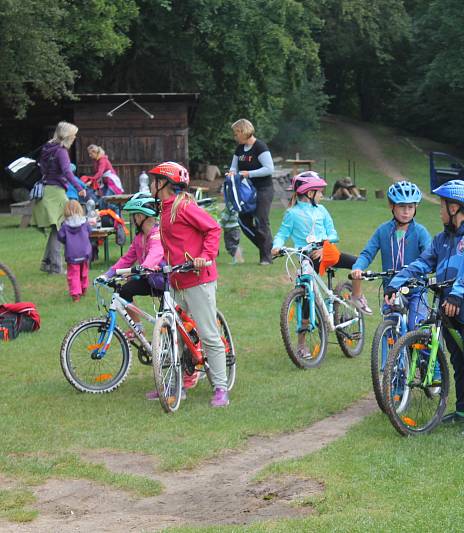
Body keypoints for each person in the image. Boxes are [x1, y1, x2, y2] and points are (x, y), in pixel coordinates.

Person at [385, 179, 464, 437]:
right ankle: (463, 412)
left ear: (455, 208)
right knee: (458, 362)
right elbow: (422, 263)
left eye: (442, 205)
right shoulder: (442, 239)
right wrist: (395, 283)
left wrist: (456, 295)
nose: (440, 210)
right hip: (446, 308)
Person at [148, 161, 229, 407]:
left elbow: (213, 228)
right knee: (177, 334)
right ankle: (178, 384)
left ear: (164, 183)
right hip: (176, 279)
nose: (151, 184)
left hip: (197, 278)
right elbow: (170, 245)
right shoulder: (163, 209)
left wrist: (206, 256)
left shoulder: (183, 206)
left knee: (207, 333)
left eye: (153, 180)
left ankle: (221, 389)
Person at [271, 172, 369, 356]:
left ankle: (357, 296)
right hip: (307, 256)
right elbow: (282, 234)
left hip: (327, 252)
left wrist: (324, 244)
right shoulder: (291, 213)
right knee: (306, 294)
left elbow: (334, 234)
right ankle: (301, 344)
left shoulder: (322, 210)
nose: (322, 195)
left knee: (357, 263)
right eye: (319, 191)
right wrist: (277, 246)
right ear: (309, 193)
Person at [351, 180, 431, 326]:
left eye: (410, 207)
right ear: (391, 206)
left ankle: (421, 347)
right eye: (401, 206)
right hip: (391, 291)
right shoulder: (383, 231)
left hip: (416, 290)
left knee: (418, 329)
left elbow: (429, 255)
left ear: (416, 207)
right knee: (390, 331)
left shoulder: (421, 232)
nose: (406, 211)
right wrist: (358, 267)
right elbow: (367, 253)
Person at [99, 193, 166, 337]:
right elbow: (126, 259)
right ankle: (138, 327)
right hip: (150, 280)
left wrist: (144, 267)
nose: (134, 219)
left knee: (169, 322)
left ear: (141, 216)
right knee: (124, 291)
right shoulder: (139, 238)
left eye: (134, 215)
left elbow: (155, 254)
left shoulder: (157, 234)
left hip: (167, 282)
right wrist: (107, 275)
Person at [33, 121, 87, 275]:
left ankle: (47, 263)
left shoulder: (47, 148)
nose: (75, 137)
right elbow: (67, 171)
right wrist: (79, 188)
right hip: (55, 192)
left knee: (56, 228)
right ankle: (56, 267)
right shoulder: (61, 151)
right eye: (73, 134)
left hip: (46, 190)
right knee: (61, 226)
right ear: (67, 136)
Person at [227, 119, 275, 265]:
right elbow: (234, 167)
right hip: (246, 191)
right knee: (243, 221)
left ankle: (266, 257)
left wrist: (249, 173)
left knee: (261, 221)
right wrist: (231, 173)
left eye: (236, 134)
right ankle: (268, 248)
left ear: (243, 132)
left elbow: (269, 169)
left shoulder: (259, 147)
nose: (235, 137)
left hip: (263, 189)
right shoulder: (239, 149)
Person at [57, 200, 92, 302]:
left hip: (72, 254)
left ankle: (76, 294)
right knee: (84, 271)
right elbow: (90, 231)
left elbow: (60, 237)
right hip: (85, 252)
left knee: (74, 274)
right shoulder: (84, 222)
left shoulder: (65, 225)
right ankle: (84, 288)